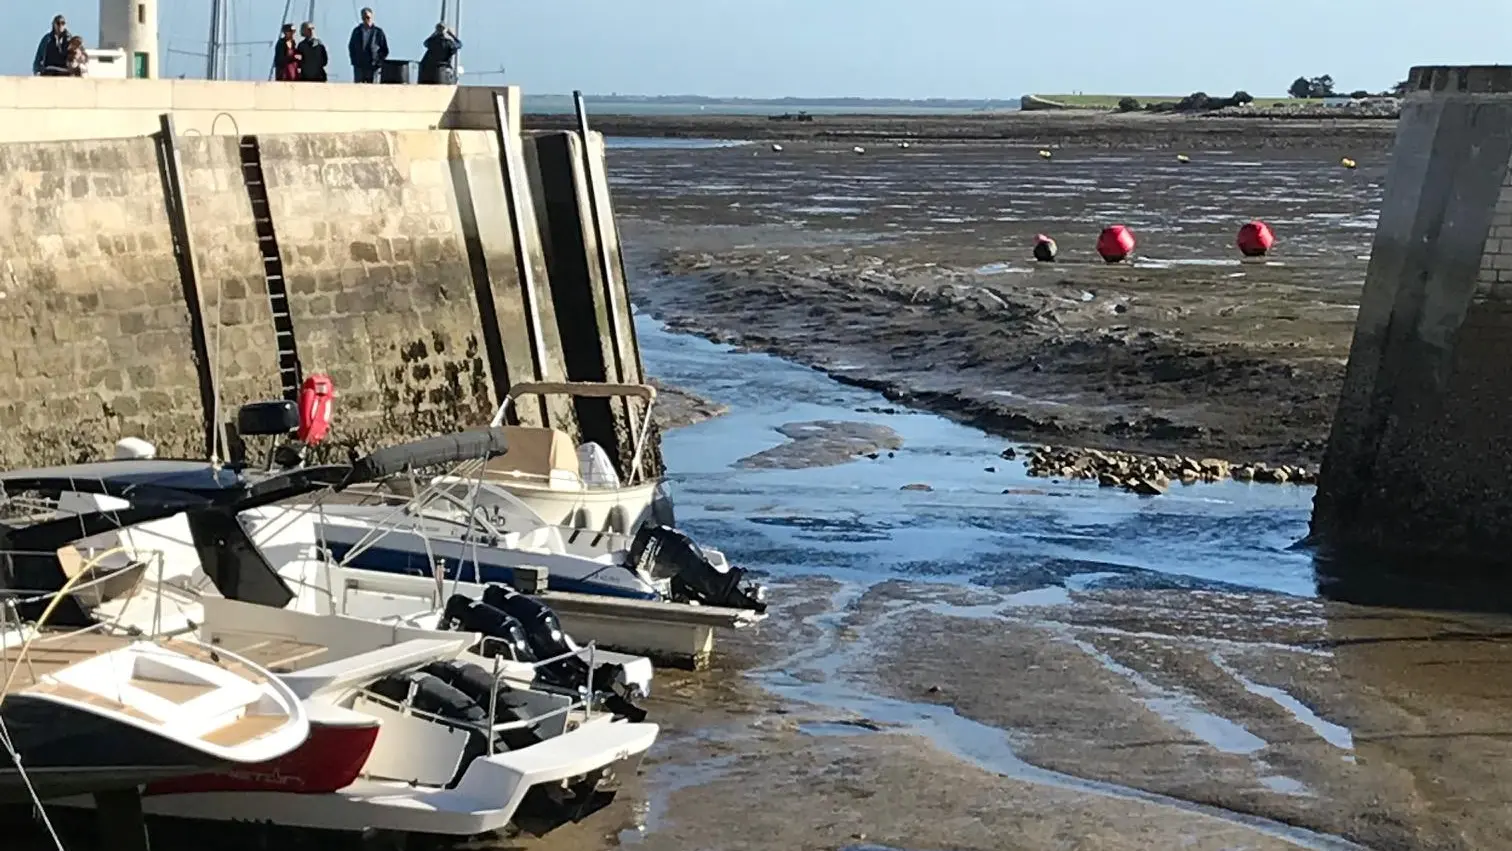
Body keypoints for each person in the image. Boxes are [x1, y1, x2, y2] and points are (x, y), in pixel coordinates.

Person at [347, 7, 388, 83]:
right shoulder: (356, 31)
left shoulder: (378, 32)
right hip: (359, 66)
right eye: (364, 18)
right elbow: (351, 47)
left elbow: (384, 49)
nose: (366, 20)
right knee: (358, 89)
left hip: (373, 67)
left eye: (368, 17)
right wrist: (354, 61)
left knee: (372, 89)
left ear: (372, 17)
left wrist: (379, 62)